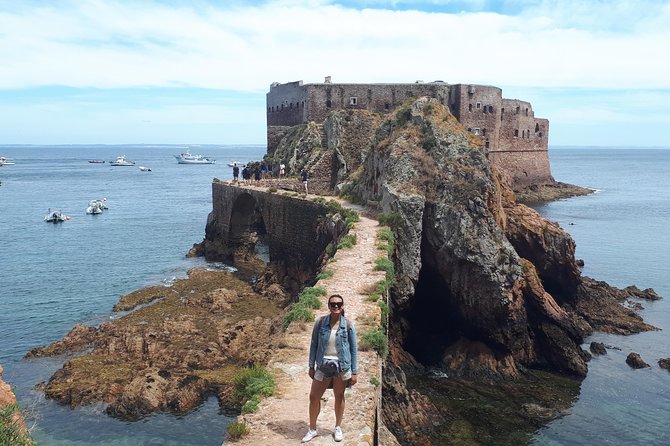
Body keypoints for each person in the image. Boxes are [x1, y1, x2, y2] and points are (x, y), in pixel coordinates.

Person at [302, 294, 358, 443]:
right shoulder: (320, 323)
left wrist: (354, 372)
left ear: (343, 306)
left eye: (339, 304)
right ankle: (312, 429)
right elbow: (314, 344)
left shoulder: (348, 325)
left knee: (339, 397)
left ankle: (337, 427)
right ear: (328, 306)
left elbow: (353, 350)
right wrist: (311, 366)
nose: (336, 307)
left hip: (342, 366)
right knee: (314, 397)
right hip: (322, 365)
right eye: (333, 304)